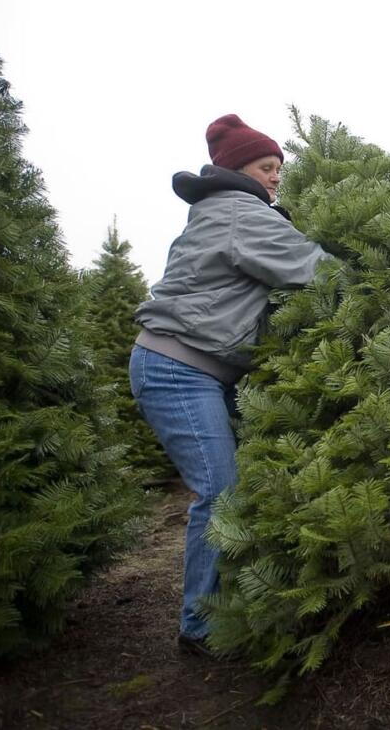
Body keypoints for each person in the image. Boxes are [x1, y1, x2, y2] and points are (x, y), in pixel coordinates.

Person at [129, 114, 332, 656]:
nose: (276, 178)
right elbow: (312, 267)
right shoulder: (240, 212)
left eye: (279, 169)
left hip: (199, 368)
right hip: (179, 368)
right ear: (239, 168)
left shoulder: (217, 213)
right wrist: (383, 272)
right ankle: (199, 629)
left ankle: (239, 602)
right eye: (268, 167)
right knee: (220, 491)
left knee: (251, 481)